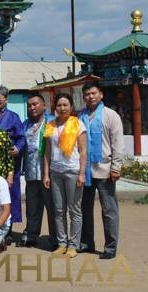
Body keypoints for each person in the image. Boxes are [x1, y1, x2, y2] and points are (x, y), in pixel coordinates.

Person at [79, 81, 124, 260]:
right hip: (85, 171)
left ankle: (110, 248)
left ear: (101, 94)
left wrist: (116, 167)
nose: (91, 97)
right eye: (87, 94)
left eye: (93, 93)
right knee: (84, 209)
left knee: (109, 211)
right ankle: (86, 243)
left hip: (105, 170)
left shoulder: (110, 115)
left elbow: (117, 143)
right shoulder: (80, 116)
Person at [43, 92, 87, 258]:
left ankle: (73, 245)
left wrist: (82, 173)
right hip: (55, 172)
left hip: (72, 171)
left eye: (65, 105)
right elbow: (47, 152)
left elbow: (83, 151)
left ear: (71, 107)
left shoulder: (78, 124)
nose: (62, 108)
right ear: (55, 107)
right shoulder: (50, 125)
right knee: (59, 210)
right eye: (59, 105)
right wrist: (46, 174)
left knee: (74, 210)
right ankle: (62, 243)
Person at [18, 93, 57, 249]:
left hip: (48, 174)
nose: (32, 107)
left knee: (52, 207)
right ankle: (32, 235)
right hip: (31, 172)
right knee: (32, 206)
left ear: (44, 105)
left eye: (35, 104)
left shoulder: (52, 122)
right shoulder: (25, 124)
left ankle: (55, 238)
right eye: (29, 105)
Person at [0, 86, 25, 233]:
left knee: (9, 195)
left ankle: (7, 229)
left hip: (8, 164)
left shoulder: (13, 117)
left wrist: (17, 148)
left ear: (6, 99)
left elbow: (21, 137)